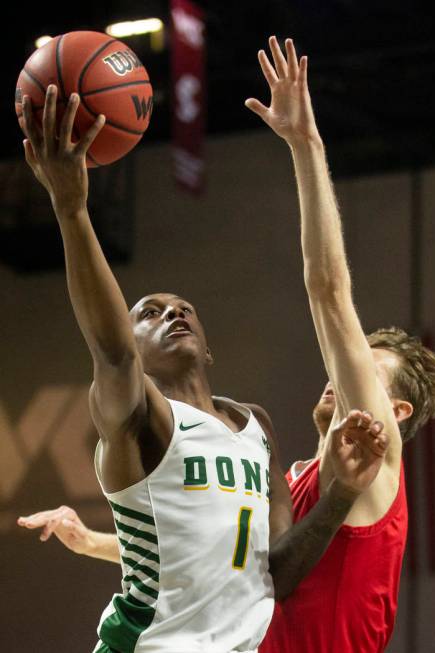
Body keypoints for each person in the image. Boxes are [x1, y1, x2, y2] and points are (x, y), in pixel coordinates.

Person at [18, 69, 389, 653]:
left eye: (184, 308)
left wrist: (340, 492)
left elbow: (277, 574)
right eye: (150, 312)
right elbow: (110, 351)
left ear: (209, 347)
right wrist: (72, 210)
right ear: (134, 347)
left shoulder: (255, 426)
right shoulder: (141, 417)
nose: (172, 314)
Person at [244, 37, 435, 652]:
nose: (340, 370)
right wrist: (89, 538)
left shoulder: (380, 470)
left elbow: (328, 291)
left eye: (364, 368)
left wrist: (306, 145)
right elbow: (213, 549)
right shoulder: (299, 477)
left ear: (398, 412)